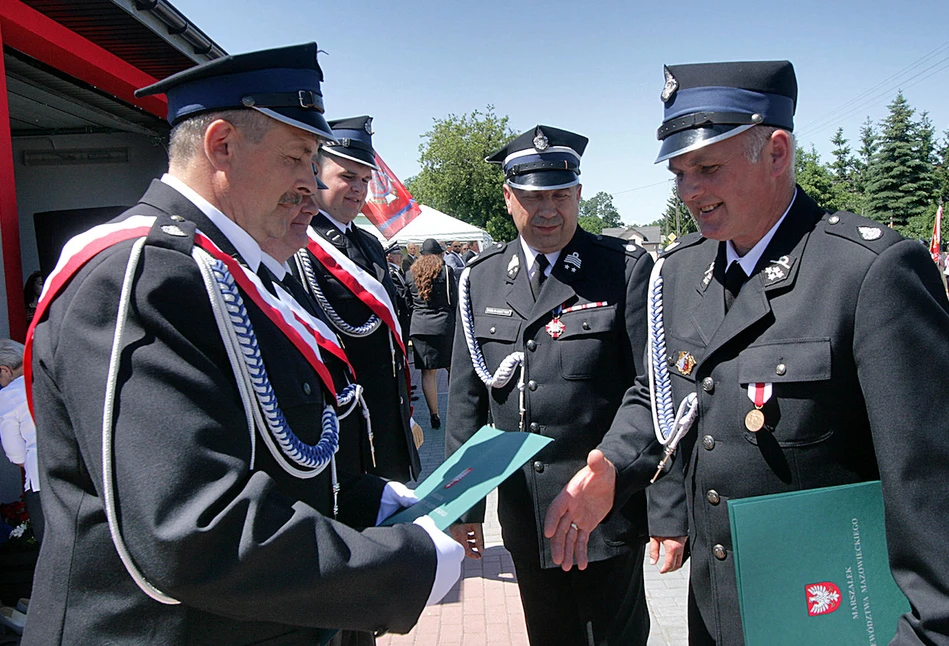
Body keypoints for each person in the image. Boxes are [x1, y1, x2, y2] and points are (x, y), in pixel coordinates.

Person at [24, 44, 462, 645]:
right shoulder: (145, 272)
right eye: (299, 158)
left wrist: (366, 500)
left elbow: (267, 457)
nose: (312, 186)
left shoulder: (228, 271)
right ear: (222, 144)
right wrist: (399, 570)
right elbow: (189, 526)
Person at [549, 60, 949, 645]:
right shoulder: (681, 272)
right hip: (720, 611)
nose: (690, 191)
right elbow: (662, 393)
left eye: (707, 168)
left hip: (833, 614)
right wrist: (614, 462)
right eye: (679, 174)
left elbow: (929, 488)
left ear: (778, 152)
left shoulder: (867, 272)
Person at [446, 125, 687, 645]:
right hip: (526, 514)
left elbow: (656, 394)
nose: (548, 209)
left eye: (560, 194)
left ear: (579, 193)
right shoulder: (480, 277)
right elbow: (467, 401)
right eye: (533, 197)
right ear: (509, 198)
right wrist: (462, 508)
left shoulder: (623, 270)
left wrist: (667, 509)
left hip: (604, 510)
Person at [291, 115, 420, 483]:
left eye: (365, 179)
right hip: (344, 425)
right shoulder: (297, 244)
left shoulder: (370, 244)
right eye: (347, 177)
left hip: (386, 415)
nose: (358, 189)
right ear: (315, 171)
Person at [406, 239, 457, 430]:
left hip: (420, 326)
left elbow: (407, 301)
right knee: (453, 369)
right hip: (444, 325)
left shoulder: (410, 274)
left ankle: (434, 415)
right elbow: (454, 300)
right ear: (439, 254)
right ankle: (457, 410)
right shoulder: (445, 271)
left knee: (428, 374)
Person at [0, 340, 41, 544]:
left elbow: (15, 453)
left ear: (5, 370)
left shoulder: (9, 394)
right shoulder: (53, 377)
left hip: (41, 478)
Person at [385, 244, 412, 342]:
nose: (401, 256)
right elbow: (400, 294)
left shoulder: (397, 270)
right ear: (389, 256)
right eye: (397, 254)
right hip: (400, 312)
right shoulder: (391, 272)